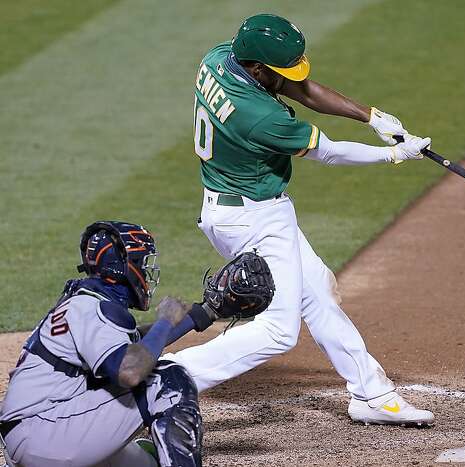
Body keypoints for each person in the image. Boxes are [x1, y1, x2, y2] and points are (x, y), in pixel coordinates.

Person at [167, 13, 434, 426]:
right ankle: (167, 380)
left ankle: (371, 394)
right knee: (278, 331)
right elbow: (327, 151)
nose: (288, 77)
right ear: (257, 68)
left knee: (320, 296)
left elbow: (301, 87)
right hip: (253, 219)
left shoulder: (219, 58)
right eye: (279, 71)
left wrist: (372, 117)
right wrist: (394, 154)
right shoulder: (259, 116)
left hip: (240, 207)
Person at [0, 221, 273, 467]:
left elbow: (134, 345)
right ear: (120, 267)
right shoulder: (92, 309)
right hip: (46, 435)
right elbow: (130, 370)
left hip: (43, 433)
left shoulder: (86, 303)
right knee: (168, 379)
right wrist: (165, 321)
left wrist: (204, 313)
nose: (146, 270)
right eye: (141, 263)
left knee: (150, 458)